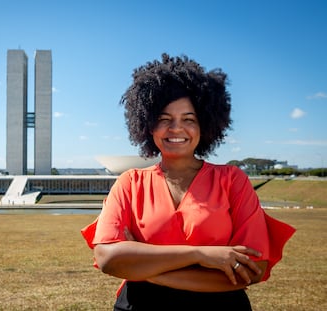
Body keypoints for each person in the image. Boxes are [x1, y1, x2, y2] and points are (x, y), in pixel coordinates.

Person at [81, 53, 295, 310]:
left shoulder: (232, 180)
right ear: (148, 124)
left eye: (189, 119)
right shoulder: (130, 183)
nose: (176, 129)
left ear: (205, 125)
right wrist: (202, 255)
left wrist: (147, 270)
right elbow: (107, 258)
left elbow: (252, 270)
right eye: (164, 119)